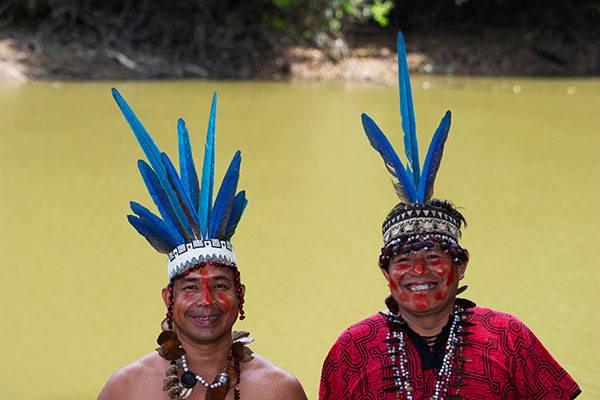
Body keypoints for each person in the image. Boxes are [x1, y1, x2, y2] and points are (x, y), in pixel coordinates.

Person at [319, 32, 581, 400]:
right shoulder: (351, 349)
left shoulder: (509, 337)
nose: (419, 272)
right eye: (404, 260)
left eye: (434, 258)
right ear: (385, 272)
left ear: (462, 265)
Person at [99, 90, 307, 400]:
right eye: (191, 288)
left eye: (220, 285)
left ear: (241, 295)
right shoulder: (126, 389)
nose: (206, 300)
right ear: (168, 297)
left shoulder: (279, 390)